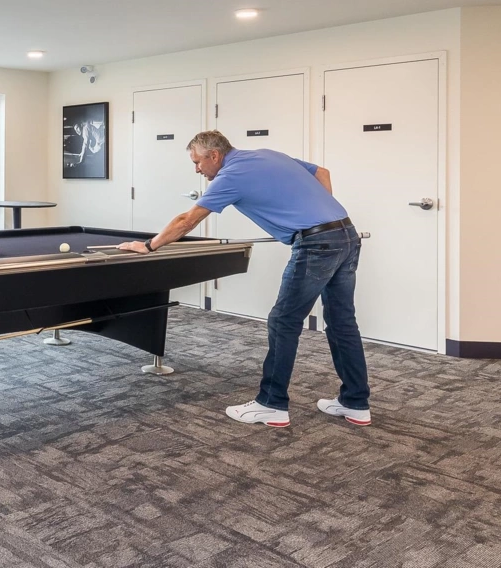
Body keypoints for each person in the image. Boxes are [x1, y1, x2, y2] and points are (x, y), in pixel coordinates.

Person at [119, 130, 371, 428]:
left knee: (284, 321)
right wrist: (320, 215)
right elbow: (322, 173)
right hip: (346, 234)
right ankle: (355, 402)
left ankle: (272, 404)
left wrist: (148, 246)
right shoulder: (267, 154)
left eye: (197, 162)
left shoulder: (231, 175)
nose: (197, 169)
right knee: (342, 321)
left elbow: (187, 220)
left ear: (215, 155)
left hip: (318, 244)